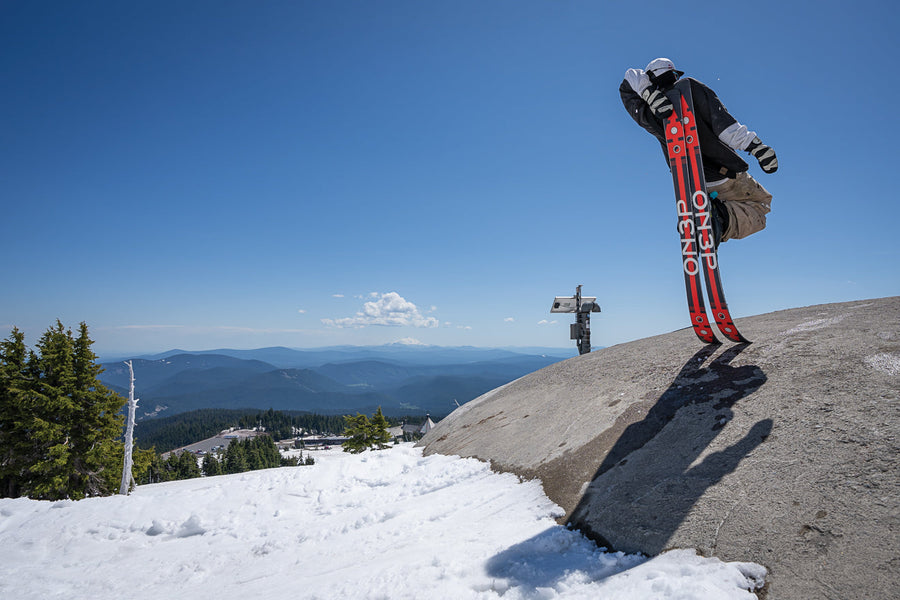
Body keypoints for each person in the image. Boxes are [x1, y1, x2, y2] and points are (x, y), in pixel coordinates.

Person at [619, 58, 777, 247]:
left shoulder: (651, 113)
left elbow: (628, 83)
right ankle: (719, 219)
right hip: (725, 176)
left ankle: (710, 216)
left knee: (744, 207)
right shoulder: (690, 89)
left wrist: (648, 91)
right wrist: (756, 147)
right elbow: (724, 126)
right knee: (761, 206)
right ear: (674, 75)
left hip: (691, 183)